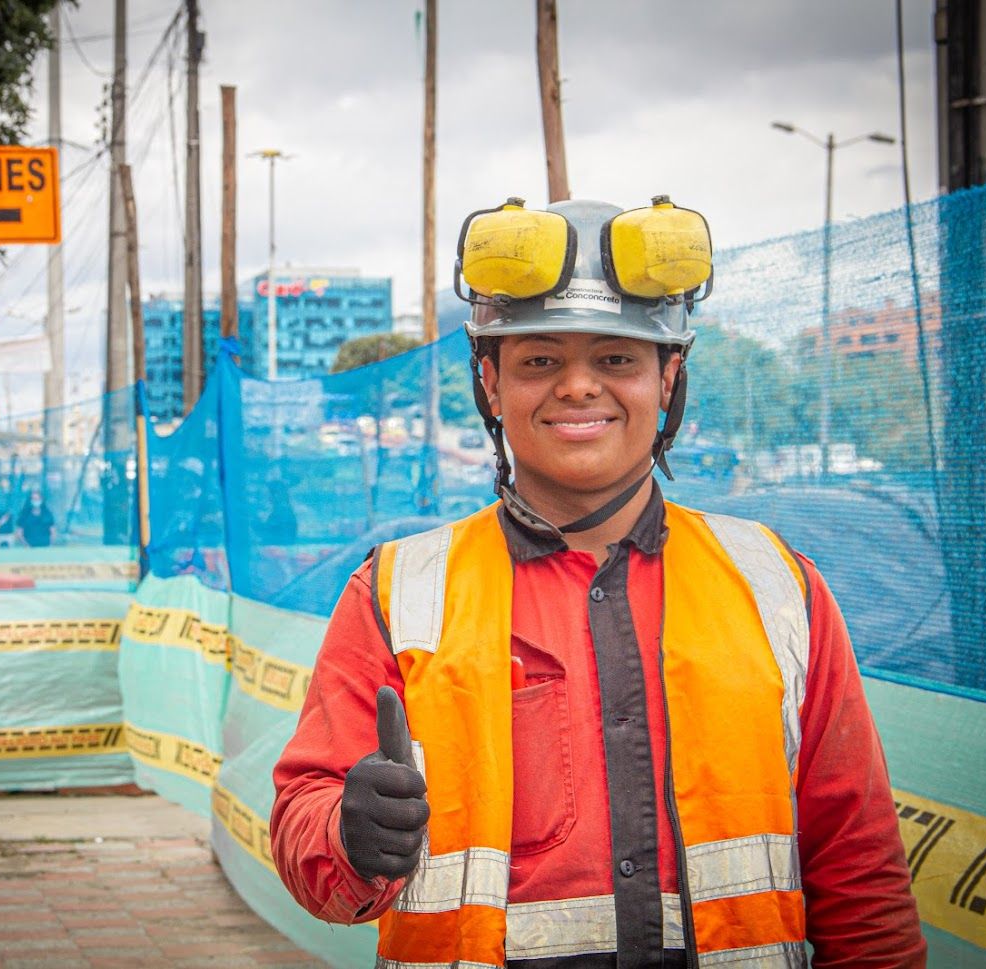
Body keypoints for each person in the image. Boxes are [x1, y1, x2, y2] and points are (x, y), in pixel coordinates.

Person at [270, 197, 926, 968]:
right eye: (539, 360)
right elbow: (306, 831)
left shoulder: (777, 586)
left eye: (615, 358)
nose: (578, 386)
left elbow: (860, 872)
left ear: (667, 375)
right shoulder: (394, 593)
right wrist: (347, 836)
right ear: (489, 382)